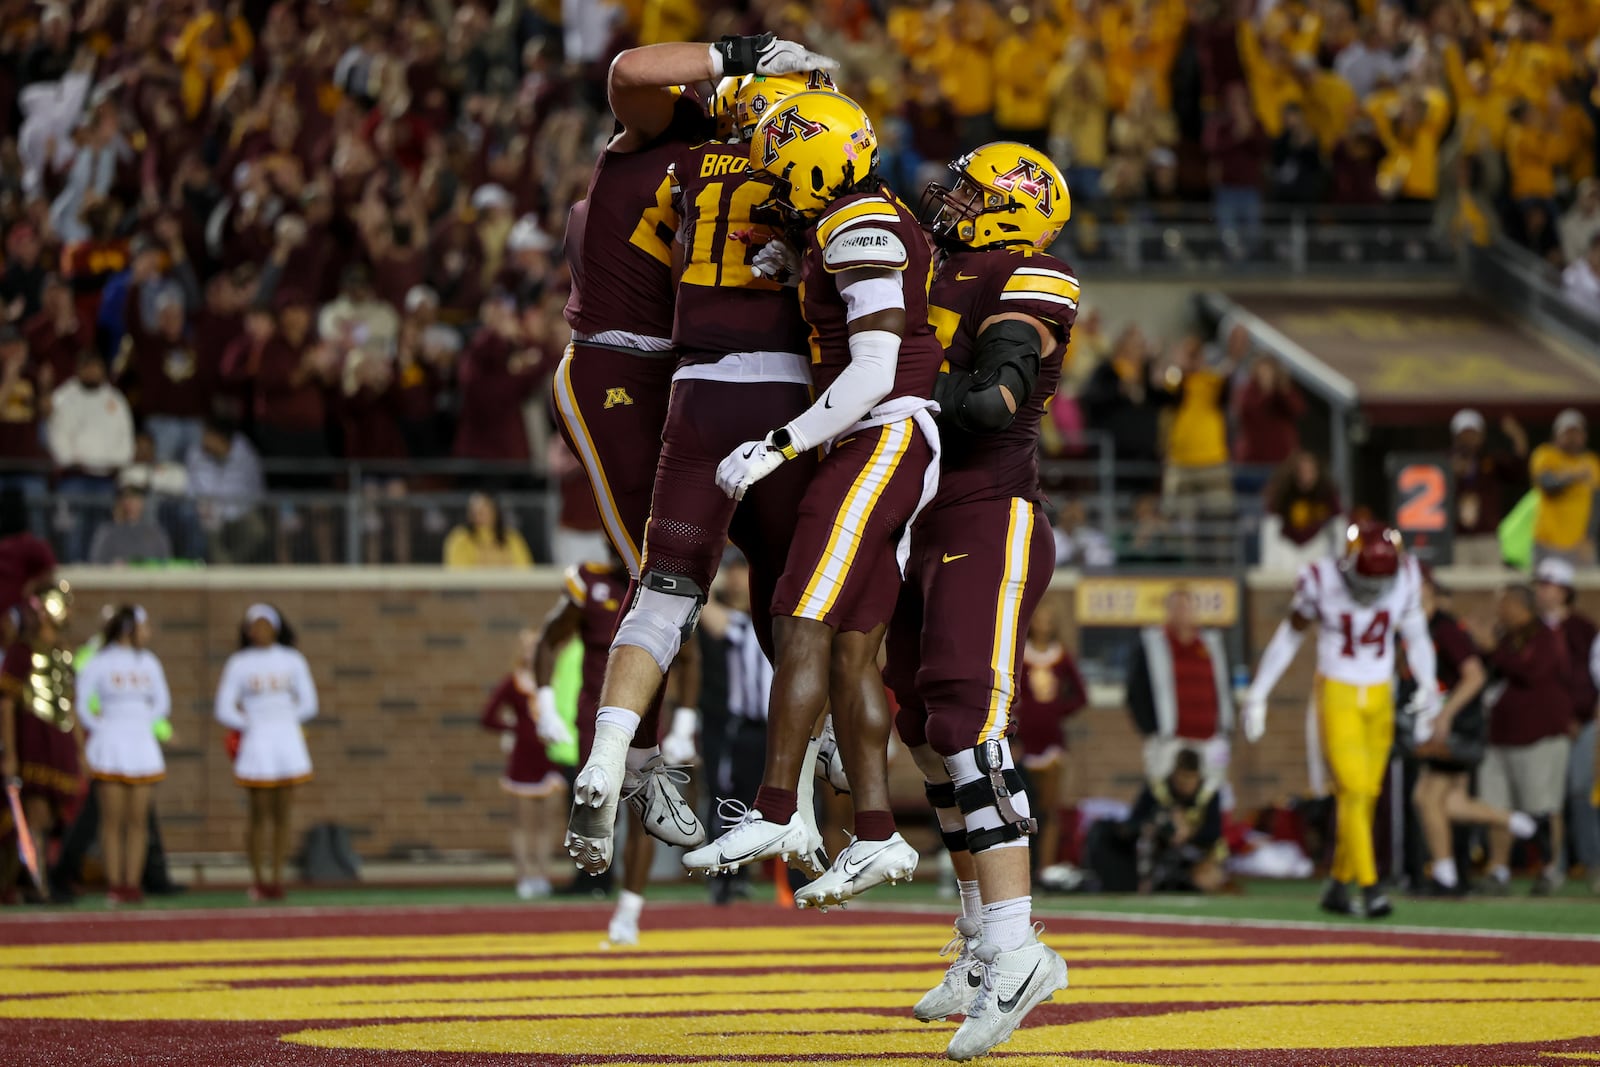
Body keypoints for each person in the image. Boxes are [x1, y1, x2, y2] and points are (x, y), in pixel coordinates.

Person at [564, 57, 832, 878]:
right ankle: (650, 770)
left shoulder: (693, 159)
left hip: (688, 381)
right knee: (774, 586)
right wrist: (739, 50)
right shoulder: (717, 150)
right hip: (648, 372)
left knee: (681, 582)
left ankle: (626, 761)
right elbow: (633, 77)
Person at [686, 90, 943, 918]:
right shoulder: (848, 218)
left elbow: (871, 364)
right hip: (887, 439)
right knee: (848, 654)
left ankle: (773, 812)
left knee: (799, 616)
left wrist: (779, 444)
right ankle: (873, 829)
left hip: (880, 433)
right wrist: (791, 261)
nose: (775, 184)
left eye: (781, 169)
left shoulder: (859, 224)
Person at [871, 140, 1074, 1059]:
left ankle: (1018, 944)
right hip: (920, 515)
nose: (947, 199)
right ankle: (976, 936)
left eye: (968, 190)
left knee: (966, 720)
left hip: (987, 515)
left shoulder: (1032, 277)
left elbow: (995, 397)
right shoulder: (936, 267)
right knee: (919, 722)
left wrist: (893, 385)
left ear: (1009, 207)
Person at [1242, 520, 1439, 919]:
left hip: (1381, 693)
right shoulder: (1320, 579)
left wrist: (1428, 686)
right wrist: (1259, 690)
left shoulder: (1407, 576)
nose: (1372, 591)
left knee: (1367, 795)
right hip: (1338, 691)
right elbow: (1289, 636)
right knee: (1352, 791)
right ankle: (1371, 887)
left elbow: (1417, 635)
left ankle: (1336, 884)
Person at [535, 555, 699, 947]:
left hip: (644, 720)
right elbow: (549, 638)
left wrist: (687, 722)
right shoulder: (589, 583)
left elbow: (691, 658)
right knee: (596, 810)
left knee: (641, 814)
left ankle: (628, 911)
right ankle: (597, 886)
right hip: (594, 719)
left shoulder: (667, 576)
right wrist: (544, 703)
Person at [1407, 571, 1537, 895]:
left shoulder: (1445, 628)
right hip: (1446, 722)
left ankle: (1445, 873)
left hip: (1458, 725)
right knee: (1450, 803)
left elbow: (1475, 676)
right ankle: (1515, 821)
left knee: (1426, 797)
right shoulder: (1415, 625)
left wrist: (1445, 715)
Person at [214, 605, 318, 901]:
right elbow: (224, 707)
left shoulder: (292, 659)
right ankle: (258, 878)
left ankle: (277, 877)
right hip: (257, 741)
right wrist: (251, 722)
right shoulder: (239, 663)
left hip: (286, 739)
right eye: (254, 626)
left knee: (283, 813)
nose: (259, 631)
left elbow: (309, 703)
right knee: (258, 813)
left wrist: (284, 717)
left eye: (265, 624)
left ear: (276, 627)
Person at [1478, 584, 1575, 896]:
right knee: (1496, 806)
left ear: (1524, 608)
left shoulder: (1545, 637)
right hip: (1501, 735)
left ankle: (1550, 868)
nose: (1500, 610)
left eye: (1506, 604)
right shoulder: (1507, 637)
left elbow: (1530, 672)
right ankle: (1499, 868)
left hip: (1538, 737)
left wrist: (1492, 648)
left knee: (1542, 806)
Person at [75, 605, 170, 905]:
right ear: (129, 628)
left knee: (138, 820)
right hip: (110, 744)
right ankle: (116, 883)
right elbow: (80, 703)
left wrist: (141, 721)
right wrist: (103, 725)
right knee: (112, 821)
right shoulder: (100, 661)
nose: (148, 633)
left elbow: (162, 702)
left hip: (141, 744)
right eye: (144, 626)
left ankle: (133, 882)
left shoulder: (150, 662)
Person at [479, 629, 573, 901]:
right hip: (522, 761)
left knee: (546, 823)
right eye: (526, 647)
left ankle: (542, 875)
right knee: (522, 824)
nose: (530, 652)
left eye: (536, 646)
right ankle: (524, 875)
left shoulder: (556, 681)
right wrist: (514, 727)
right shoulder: (513, 683)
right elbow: (487, 716)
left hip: (551, 758)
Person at [0, 582, 80, 903]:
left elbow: (69, 703)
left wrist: (80, 749)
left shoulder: (63, 650)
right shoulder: (23, 651)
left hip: (57, 738)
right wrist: (10, 751)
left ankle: (41, 877)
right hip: (33, 736)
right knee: (33, 812)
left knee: (48, 817)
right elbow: (6, 704)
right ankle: (37, 883)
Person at [1125, 588, 1236, 792]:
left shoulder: (1211, 643)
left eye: (1187, 607)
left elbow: (1225, 686)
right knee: (1164, 795)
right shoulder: (1152, 644)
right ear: (1167, 611)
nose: (1183, 613)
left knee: (1214, 794)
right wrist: (1151, 729)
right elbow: (1135, 691)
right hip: (1169, 740)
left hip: (1211, 738)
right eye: (1177, 607)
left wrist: (1227, 723)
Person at [1534, 558, 1600, 893]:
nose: (1542, 591)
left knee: (1581, 792)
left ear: (1564, 591)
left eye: (1548, 585)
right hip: (1545, 725)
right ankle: (1553, 865)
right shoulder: (1530, 626)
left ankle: (1593, 864)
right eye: (1541, 585)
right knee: (1548, 800)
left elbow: (1588, 678)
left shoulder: (1582, 628)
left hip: (1584, 722)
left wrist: (1579, 714)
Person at [1013, 599, 1086, 883]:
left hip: (1052, 742)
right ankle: (1023, 868)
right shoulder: (1021, 654)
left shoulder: (1061, 656)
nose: (1044, 625)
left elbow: (1080, 695)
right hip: (1024, 742)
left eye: (1049, 620)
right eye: (1040, 620)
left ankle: (1044, 866)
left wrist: (1055, 711)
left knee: (1050, 807)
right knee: (1022, 805)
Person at [1085, 748, 1227, 894]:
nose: (1185, 785)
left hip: (1194, 854)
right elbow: (1133, 823)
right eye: (1182, 778)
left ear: (1198, 777)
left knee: (1206, 879)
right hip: (1156, 854)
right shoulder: (1157, 790)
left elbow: (1213, 834)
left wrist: (1187, 832)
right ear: (1174, 773)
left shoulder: (1209, 796)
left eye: (1190, 779)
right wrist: (1157, 825)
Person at [1449, 409, 1527, 567]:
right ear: (1456, 436)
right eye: (1465, 433)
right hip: (1458, 537)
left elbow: (1518, 469)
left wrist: (1518, 435)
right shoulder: (1445, 462)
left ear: (1481, 435)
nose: (1469, 438)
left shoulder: (1491, 461)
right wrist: (1452, 474)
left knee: (1493, 584)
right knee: (1460, 585)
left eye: (1473, 433)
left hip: (1488, 536)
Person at [1529, 409, 1600, 566]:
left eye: (1577, 433)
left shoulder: (1592, 461)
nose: (1572, 438)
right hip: (1548, 541)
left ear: (1584, 435)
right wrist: (1574, 475)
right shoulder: (1545, 454)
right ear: (1557, 435)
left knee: (1587, 589)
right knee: (1546, 588)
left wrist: (1590, 537)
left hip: (1580, 545)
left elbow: (1596, 503)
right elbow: (1548, 485)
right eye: (1567, 433)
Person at [1261, 451, 1341, 571]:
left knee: (1335, 530)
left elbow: (1339, 522)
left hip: (1317, 547)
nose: (1306, 477)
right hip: (1289, 549)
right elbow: (1270, 525)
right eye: (1302, 472)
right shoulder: (1284, 492)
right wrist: (1269, 564)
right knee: (1270, 526)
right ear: (1294, 473)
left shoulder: (1325, 492)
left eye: (1310, 472)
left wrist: (1339, 558)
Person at [88, 483, 174, 565]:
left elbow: (166, 563)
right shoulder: (106, 532)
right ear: (119, 503)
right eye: (127, 499)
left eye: (136, 499)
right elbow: (96, 562)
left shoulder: (156, 533)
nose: (131, 504)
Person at [442, 493, 533, 568]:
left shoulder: (511, 537)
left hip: (508, 588)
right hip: (473, 589)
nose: (479, 516)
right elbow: (457, 571)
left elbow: (524, 568)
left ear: (495, 512)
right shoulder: (460, 538)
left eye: (484, 511)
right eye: (475, 512)